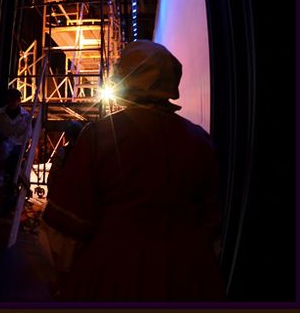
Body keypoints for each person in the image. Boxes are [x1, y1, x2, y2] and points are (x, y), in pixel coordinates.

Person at [42, 40, 225, 301]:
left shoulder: (99, 136)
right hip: (191, 277)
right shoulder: (200, 141)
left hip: (114, 274)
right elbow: (211, 223)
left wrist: (64, 277)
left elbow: (64, 230)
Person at [0, 88, 33, 211]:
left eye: (15, 100)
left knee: (14, 163)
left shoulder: (25, 116)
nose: (13, 103)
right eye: (11, 100)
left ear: (19, 100)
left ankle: (12, 189)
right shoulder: (0, 114)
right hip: (2, 144)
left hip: (17, 146)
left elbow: (28, 133)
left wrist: (17, 143)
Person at [46, 120, 83, 197]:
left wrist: (51, 193)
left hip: (63, 194)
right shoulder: (86, 151)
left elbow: (53, 175)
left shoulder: (63, 152)